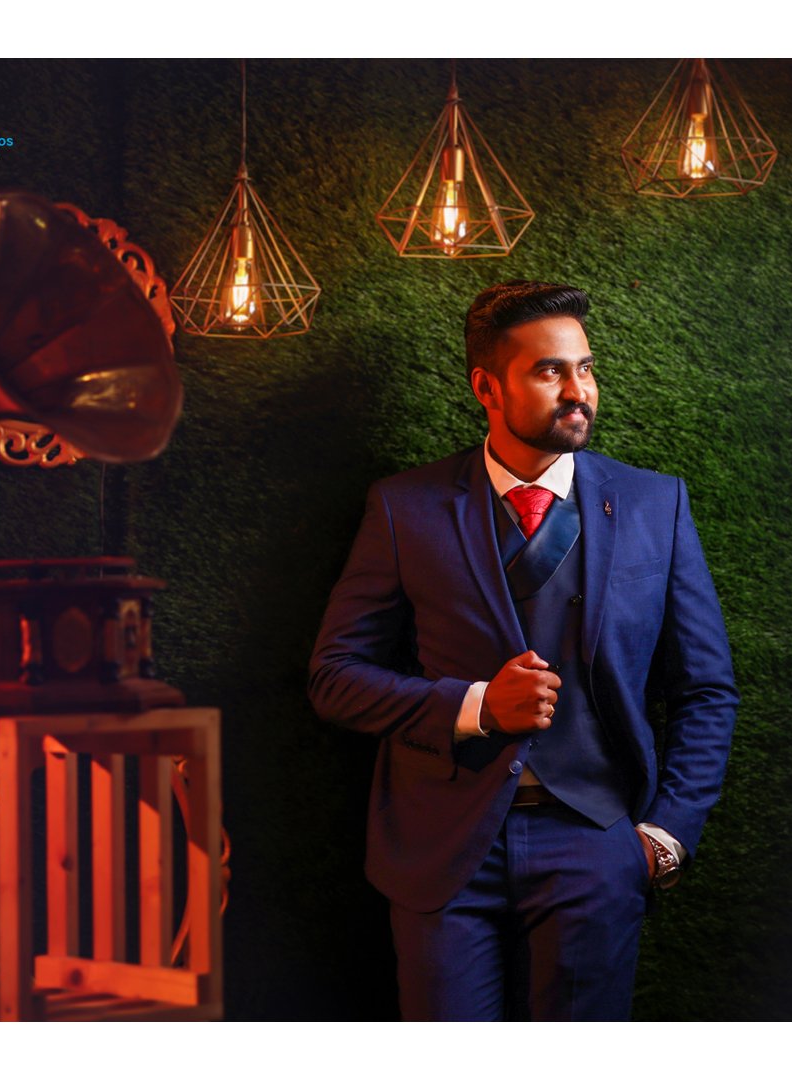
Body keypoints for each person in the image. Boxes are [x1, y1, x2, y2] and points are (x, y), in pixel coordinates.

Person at [308, 280, 737, 1021]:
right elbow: (335, 677)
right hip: (442, 849)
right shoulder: (403, 506)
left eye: (585, 368)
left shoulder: (655, 503)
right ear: (487, 386)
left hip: (597, 842)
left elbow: (705, 689)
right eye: (549, 372)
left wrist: (664, 836)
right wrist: (474, 706)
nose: (579, 391)